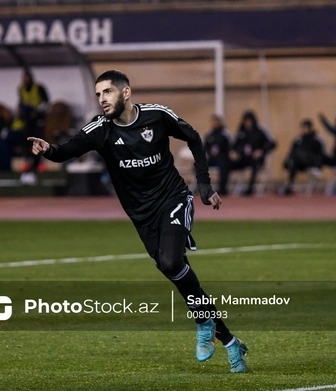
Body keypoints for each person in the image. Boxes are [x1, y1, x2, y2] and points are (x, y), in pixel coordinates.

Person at [29, 70, 248, 373]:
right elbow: (66, 151)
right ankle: (229, 341)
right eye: (98, 95)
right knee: (177, 275)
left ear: (126, 93)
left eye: (107, 92)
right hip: (141, 216)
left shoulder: (156, 116)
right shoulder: (100, 129)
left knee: (172, 262)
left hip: (173, 199)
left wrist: (205, 186)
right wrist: (48, 150)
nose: (102, 99)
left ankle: (203, 323)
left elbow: (194, 138)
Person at [229, 110, 276, 196]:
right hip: (243, 158)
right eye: (246, 121)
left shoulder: (260, 131)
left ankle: (250, 188)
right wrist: (233, 152)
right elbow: (234, 145)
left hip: (255, 159)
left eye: (249, 121)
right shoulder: (241, 131)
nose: (248, 123)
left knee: (255, 163)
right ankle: (224, 187)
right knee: (227, 162)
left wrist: (262, 151)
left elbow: (272, 143)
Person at [280, 119, 326, 195]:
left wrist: (317, 166)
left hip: (310, 162)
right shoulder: (298, 140)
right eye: (303, 128)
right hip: (299, 163)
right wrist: (288, 159)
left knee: (298, 155)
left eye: (306, 128)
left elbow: (321, 154)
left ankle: (289, 182)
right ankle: (289, 185)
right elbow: (291, 151)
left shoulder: (316, 140)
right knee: (293, 161)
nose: (304, 130)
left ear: (310, 128)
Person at [18, 70, 49, 183]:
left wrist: (37, 112)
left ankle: (39, 163)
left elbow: (45, 102)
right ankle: (28, 162)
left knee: (38, 140)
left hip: (38, 119)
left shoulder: (39, 88)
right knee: (26, 141)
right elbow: (21, 102)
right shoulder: (21, 89)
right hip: (27, 120)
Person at [203, 114, 232, 195]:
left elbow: (231, 146)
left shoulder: (225, 134)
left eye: (216, 121)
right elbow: (204, 147)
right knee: (198, 165)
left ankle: (222, 188)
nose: (214, 123)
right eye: (213, 121)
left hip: (222, 158)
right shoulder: (209, 134)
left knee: (224, 165)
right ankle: (202, 187)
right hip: (211, 158)